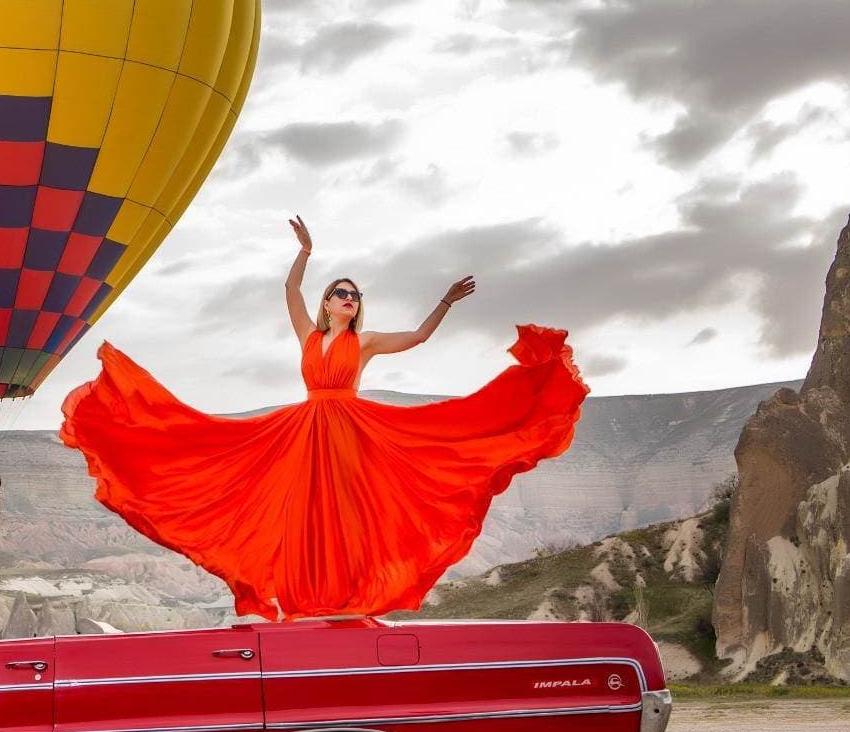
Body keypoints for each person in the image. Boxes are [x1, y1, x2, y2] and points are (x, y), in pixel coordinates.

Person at [59, 215, 589, 620]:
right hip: (305, 428)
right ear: (327, 302)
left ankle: (351, 600)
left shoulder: (368, 342)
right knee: (294, 507)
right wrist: (305, 252)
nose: (348, 300)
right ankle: (308, 601)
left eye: (355, 296)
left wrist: (445, 302)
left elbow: (420, 337)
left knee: (351, 511)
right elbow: (289, 292)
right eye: (341, 293)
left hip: (350, 430)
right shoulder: (309, 335)